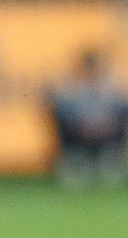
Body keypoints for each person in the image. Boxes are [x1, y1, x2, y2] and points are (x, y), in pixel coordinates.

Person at [49, 50, 128, 187]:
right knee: (62, 117)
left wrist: (103, 124)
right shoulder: (71, 86)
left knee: (121, 115)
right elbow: (65, 110)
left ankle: (111, 160)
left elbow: (118, 110)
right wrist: (83, 125)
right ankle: (74, 160)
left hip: (106, 133)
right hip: (79, 133)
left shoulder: (110, 87)